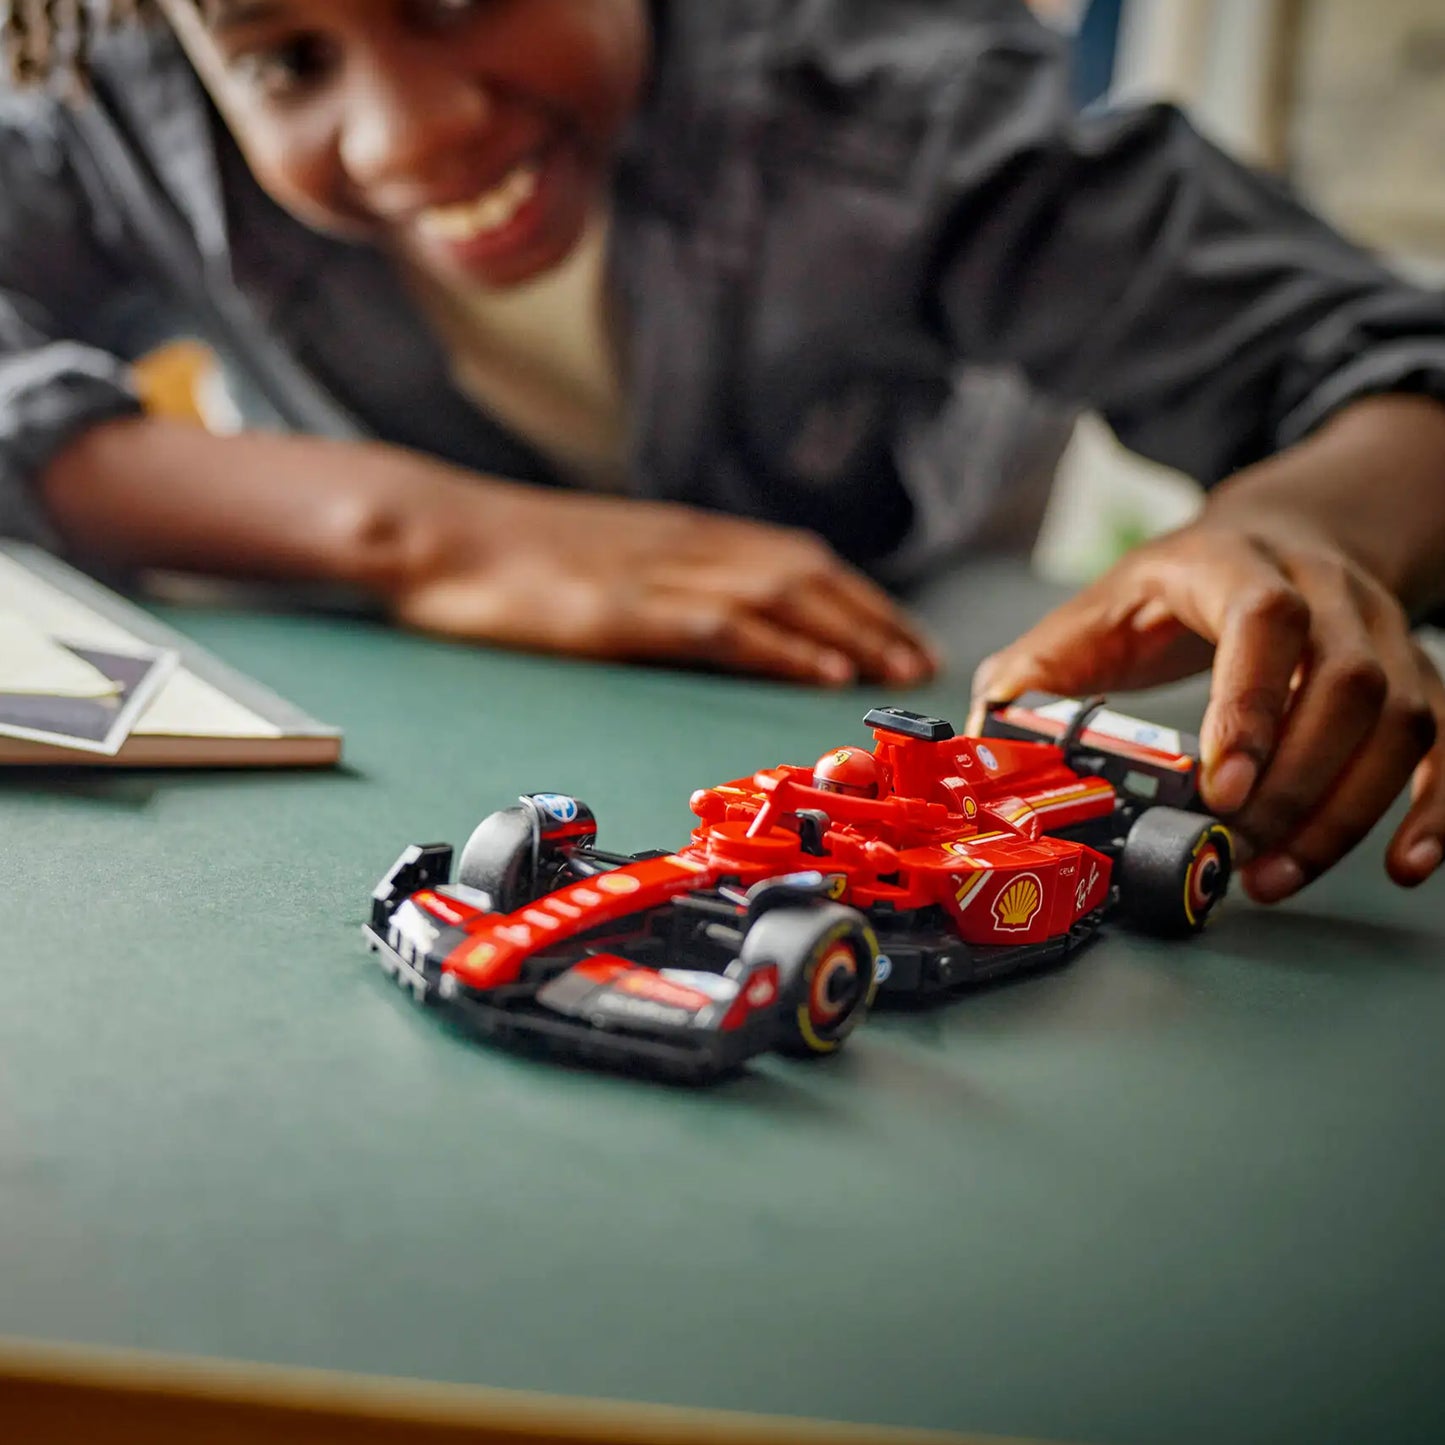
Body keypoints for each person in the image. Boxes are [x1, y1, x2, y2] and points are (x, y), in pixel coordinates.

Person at [2, 1, 1443, 908]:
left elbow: (1390, 372)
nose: (409, 131)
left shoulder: (893, 91)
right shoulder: (117, 88)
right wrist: (413, 529)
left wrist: (1310, 523)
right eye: (285, 58)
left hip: (914, 602)